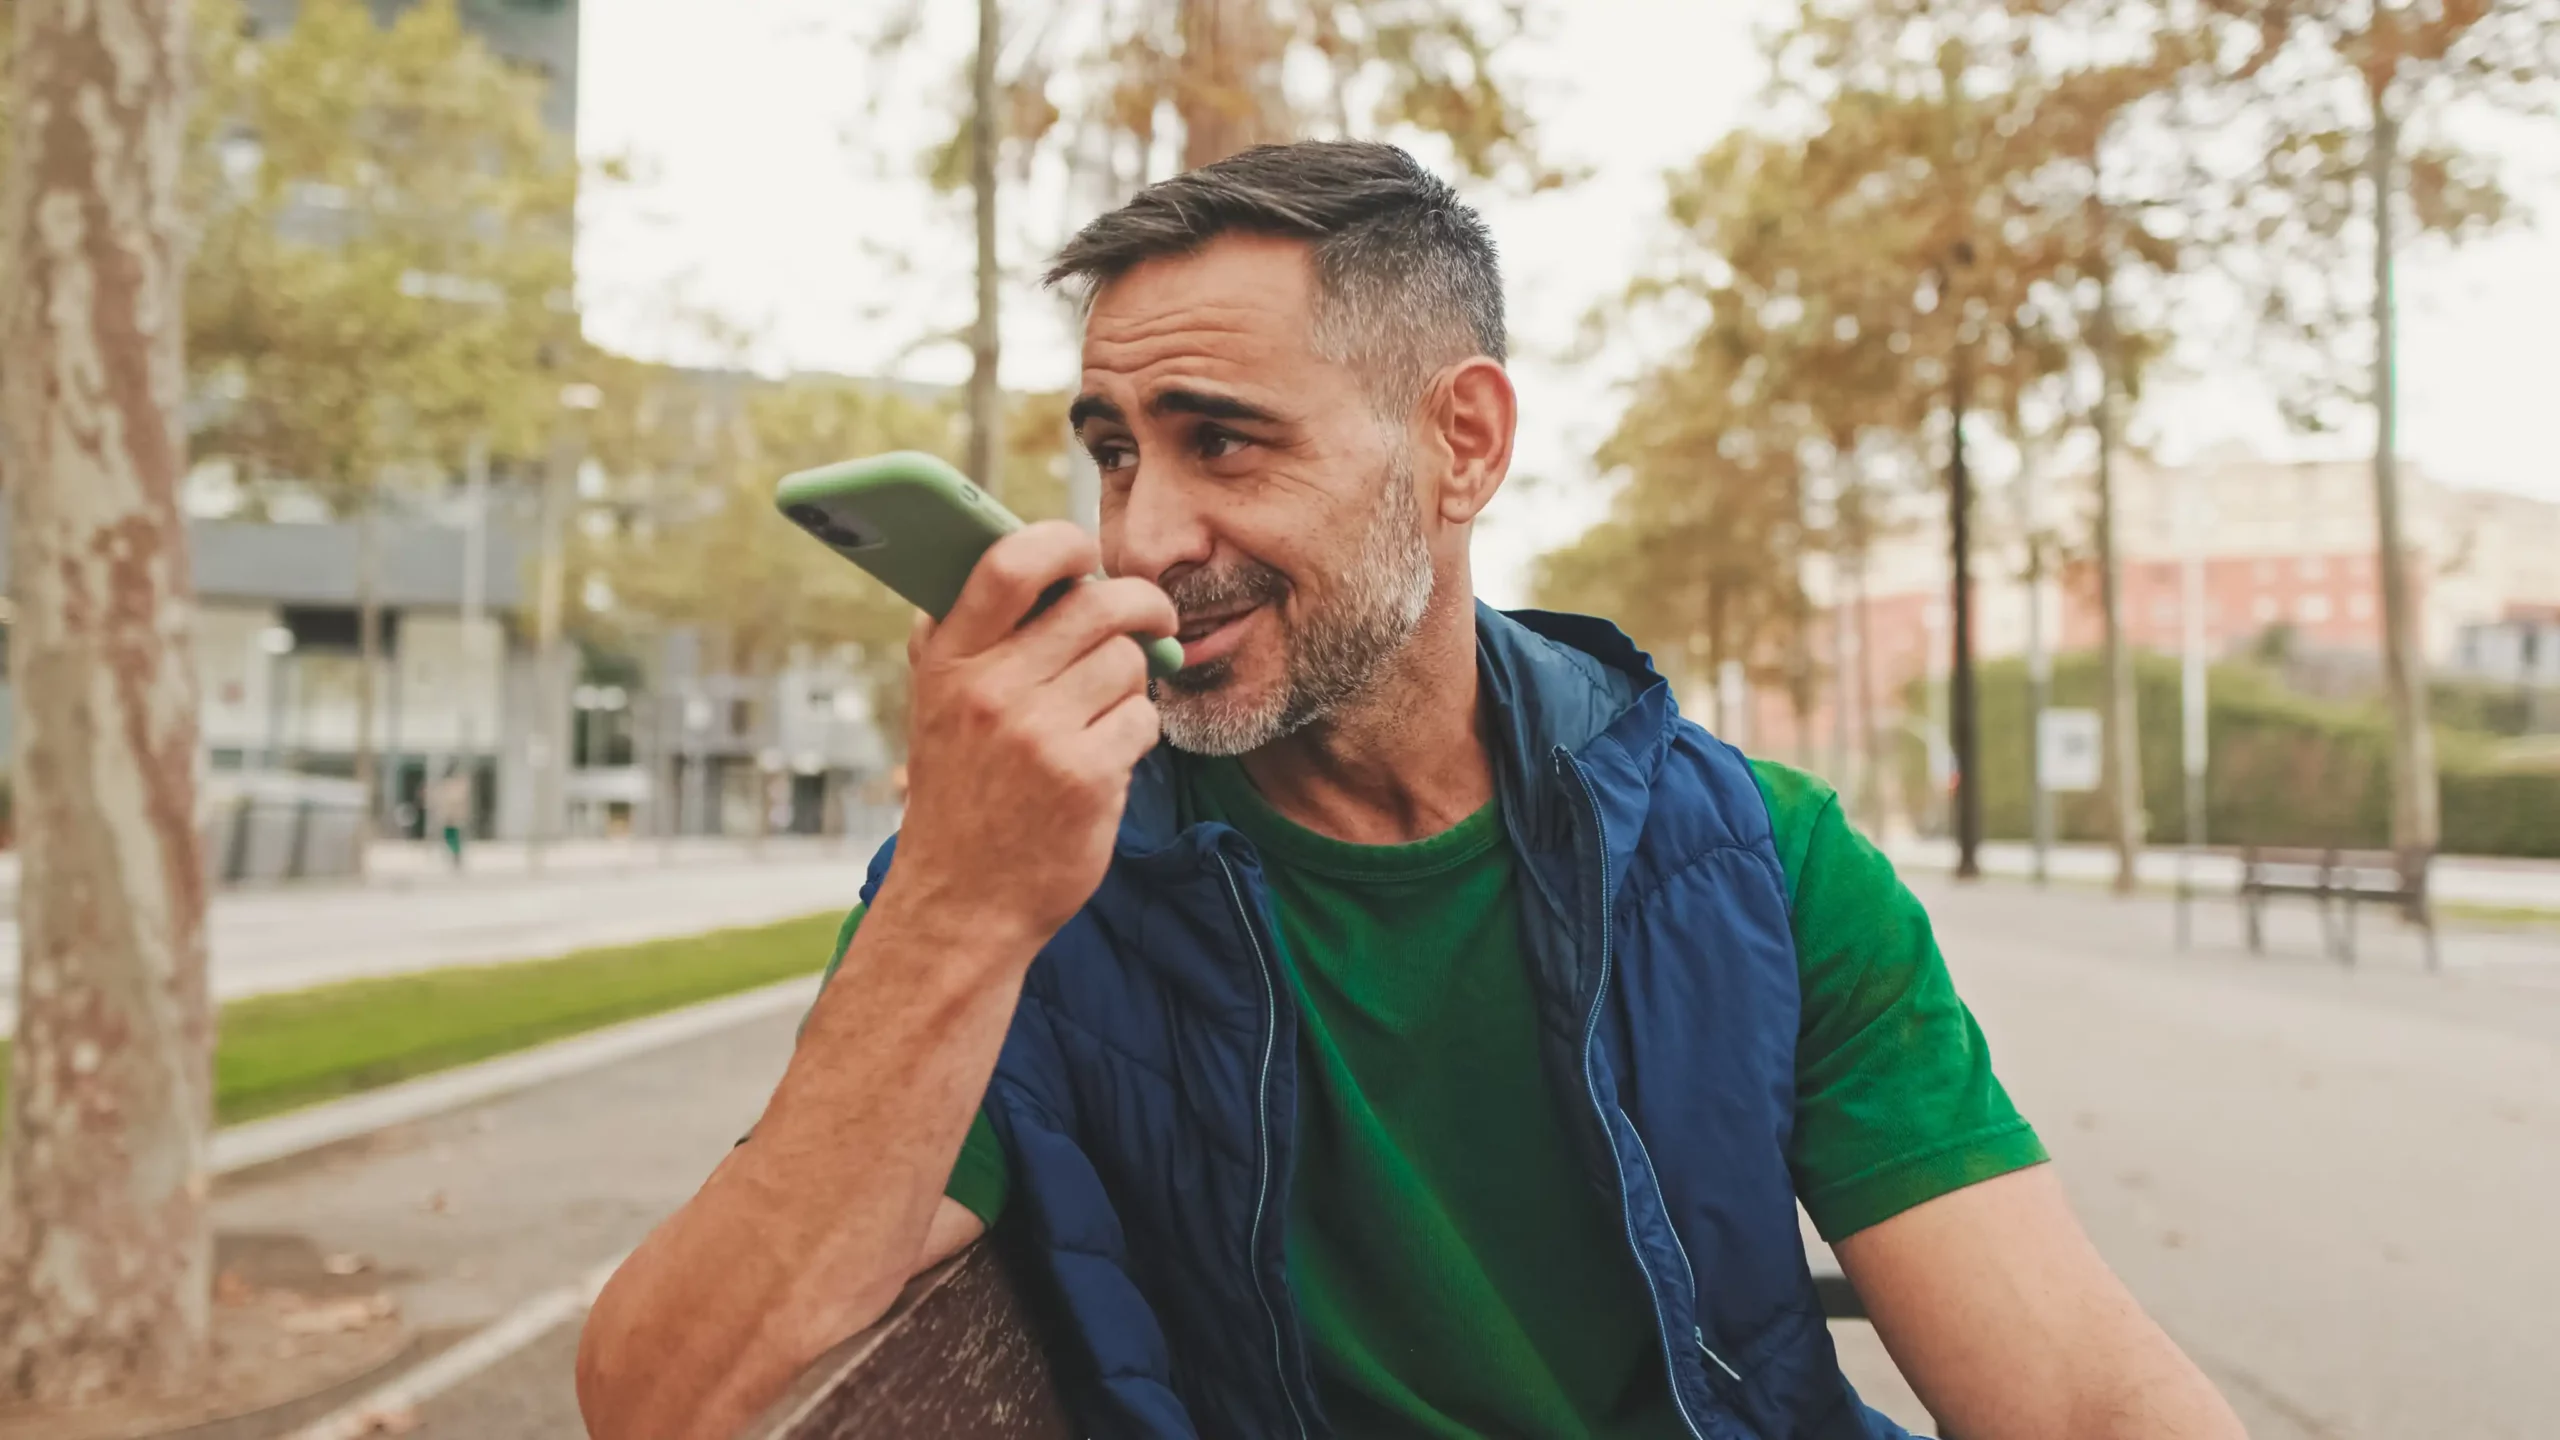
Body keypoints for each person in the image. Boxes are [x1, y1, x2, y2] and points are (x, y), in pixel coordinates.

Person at [577, 141, 2245, 1440]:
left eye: (1222, 440)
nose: (1141, 535)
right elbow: (673, 1397)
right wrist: (957, 900)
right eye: (1112, 450)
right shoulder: (1027, 887)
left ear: (1463, 444)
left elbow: (2081, 1392)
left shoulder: (1754, 863)